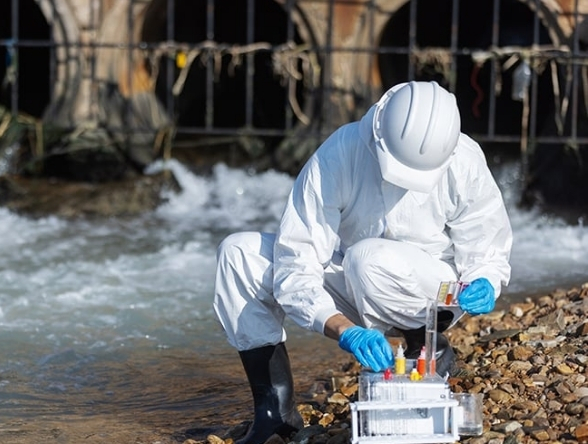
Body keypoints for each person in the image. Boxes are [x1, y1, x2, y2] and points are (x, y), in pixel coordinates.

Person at [212, 80, 513, 444]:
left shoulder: (465, 159)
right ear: (379, 136)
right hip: (352, 275)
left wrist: (485, 280)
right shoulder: (341, 153)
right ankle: (275, 412)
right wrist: (341, 328)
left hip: (429, 293)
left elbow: (487, 244)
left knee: (367, 258)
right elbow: (297, 258)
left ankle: (427, 346)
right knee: (238, 253)